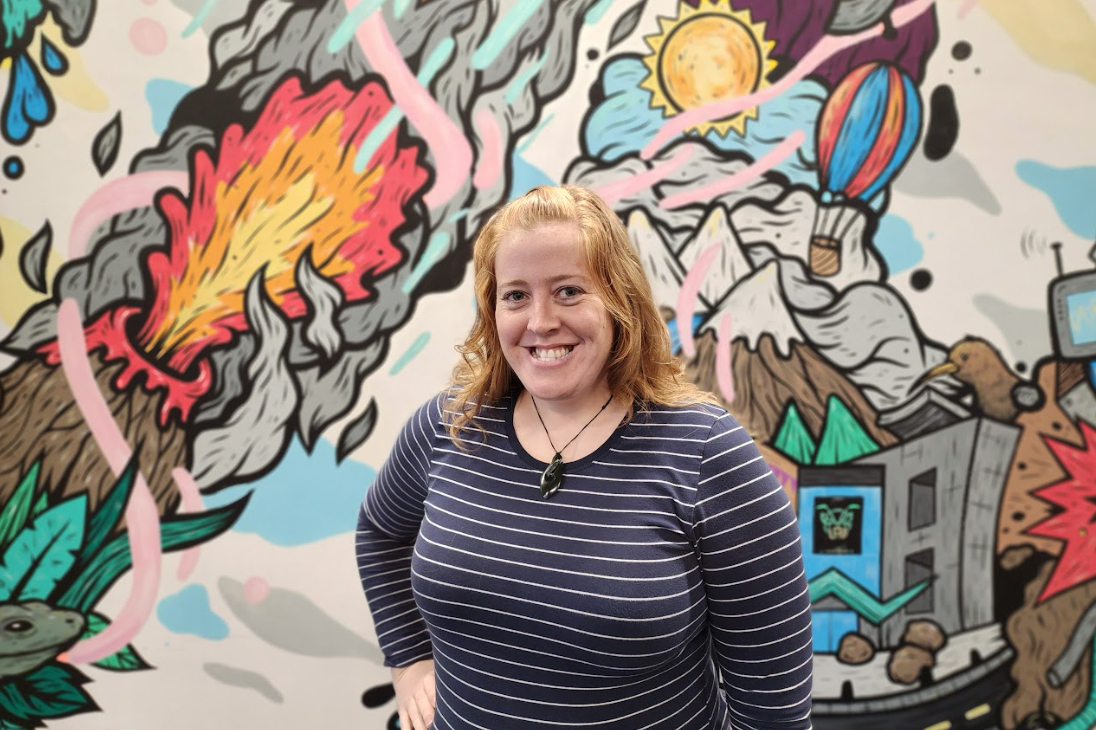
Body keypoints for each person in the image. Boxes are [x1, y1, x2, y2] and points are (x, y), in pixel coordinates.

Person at [356, 185, 814, 729]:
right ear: (491, 310)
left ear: (620, 301)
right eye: (515, 295)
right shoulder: (449, 426)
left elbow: (773, 702)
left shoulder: (706, 452)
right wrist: (408, 660)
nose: (541, 320)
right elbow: (379, 534)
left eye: (569, 290)